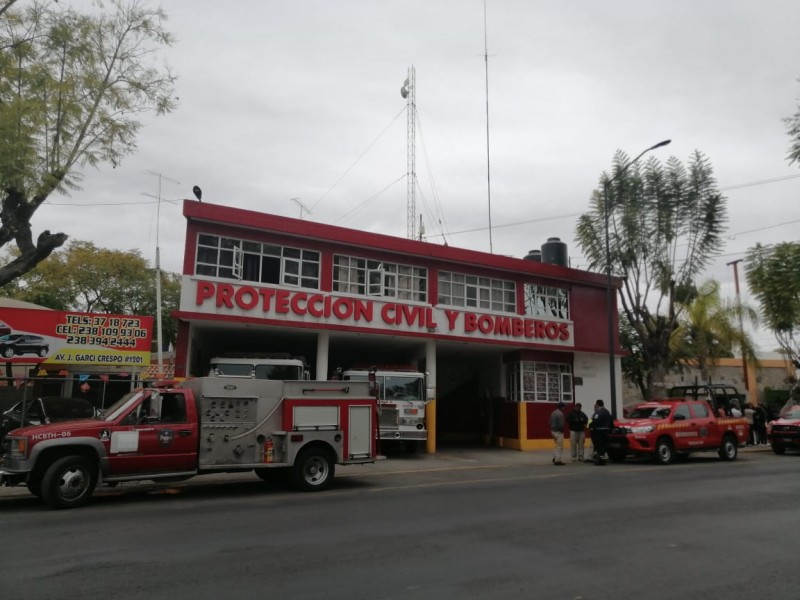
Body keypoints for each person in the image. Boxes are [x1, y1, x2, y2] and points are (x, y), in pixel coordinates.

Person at [589, 399, 613, 465]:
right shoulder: (607, 412)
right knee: (603, 446)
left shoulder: (597, 413)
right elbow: (611, 421)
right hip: (606, 431)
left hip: (598, 432)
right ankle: (603, 459)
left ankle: (600, 460)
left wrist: (590, 427)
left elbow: (594, 422)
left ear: (597, 404)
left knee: (599, 447)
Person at [549, 401, 566, 465]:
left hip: (552, 430)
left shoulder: (553, 412)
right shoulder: (560, 414)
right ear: (562, 407)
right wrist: (561, 431)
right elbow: (561, 424)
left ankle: (555, 457)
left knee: (557, 445)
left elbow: (549, 422)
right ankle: (557, 460)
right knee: (560, 446)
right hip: (558, 432)